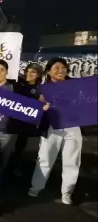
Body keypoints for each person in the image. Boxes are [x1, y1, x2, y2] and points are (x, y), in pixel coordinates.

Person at [0, 59, 49, 170]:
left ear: (6, 72)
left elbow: (28, 104)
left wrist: (41, 107)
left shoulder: (15, 88)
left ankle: (1, 185)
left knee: (1, 164)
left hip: (5, 134)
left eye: (1, 70)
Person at [28, 58, 81, 205]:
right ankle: (36, 187)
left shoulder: (76, 86)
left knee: (72, 161)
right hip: (51, 127)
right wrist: (41, 107)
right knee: (45, 158)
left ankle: (67, 193)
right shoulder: (43, 89)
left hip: (72, 127)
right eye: (56, 67)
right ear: (49, 71)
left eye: (63, 67)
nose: (61, 70)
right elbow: (33, 108)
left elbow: (85, 103)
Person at [8, 63, 44, 176]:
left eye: (33, 72)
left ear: (38, 75)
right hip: (14, 121)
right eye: (28, 71)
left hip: (27, 123)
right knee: (9, 146)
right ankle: (6, 166)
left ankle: (14, 167)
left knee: (20, 146)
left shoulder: (39, 89)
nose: (29, 74)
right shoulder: (18, 85)